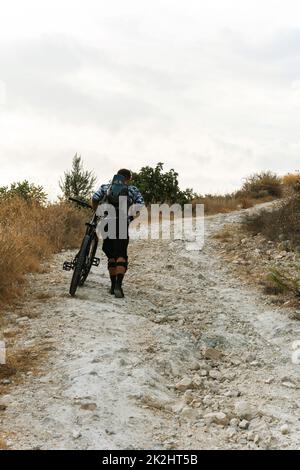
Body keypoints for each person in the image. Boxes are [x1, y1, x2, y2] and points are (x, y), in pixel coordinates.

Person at [92, 169, 144, 298]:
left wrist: (97, 213)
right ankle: (118, 286)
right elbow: (140, 205)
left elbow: (95, 198)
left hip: (106, 222)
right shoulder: (132, 190)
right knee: (121, 255)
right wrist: (129, 218)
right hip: (121, 222)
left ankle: (111, 285)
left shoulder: (106, 187)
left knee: (111, 255)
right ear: (128, 178)